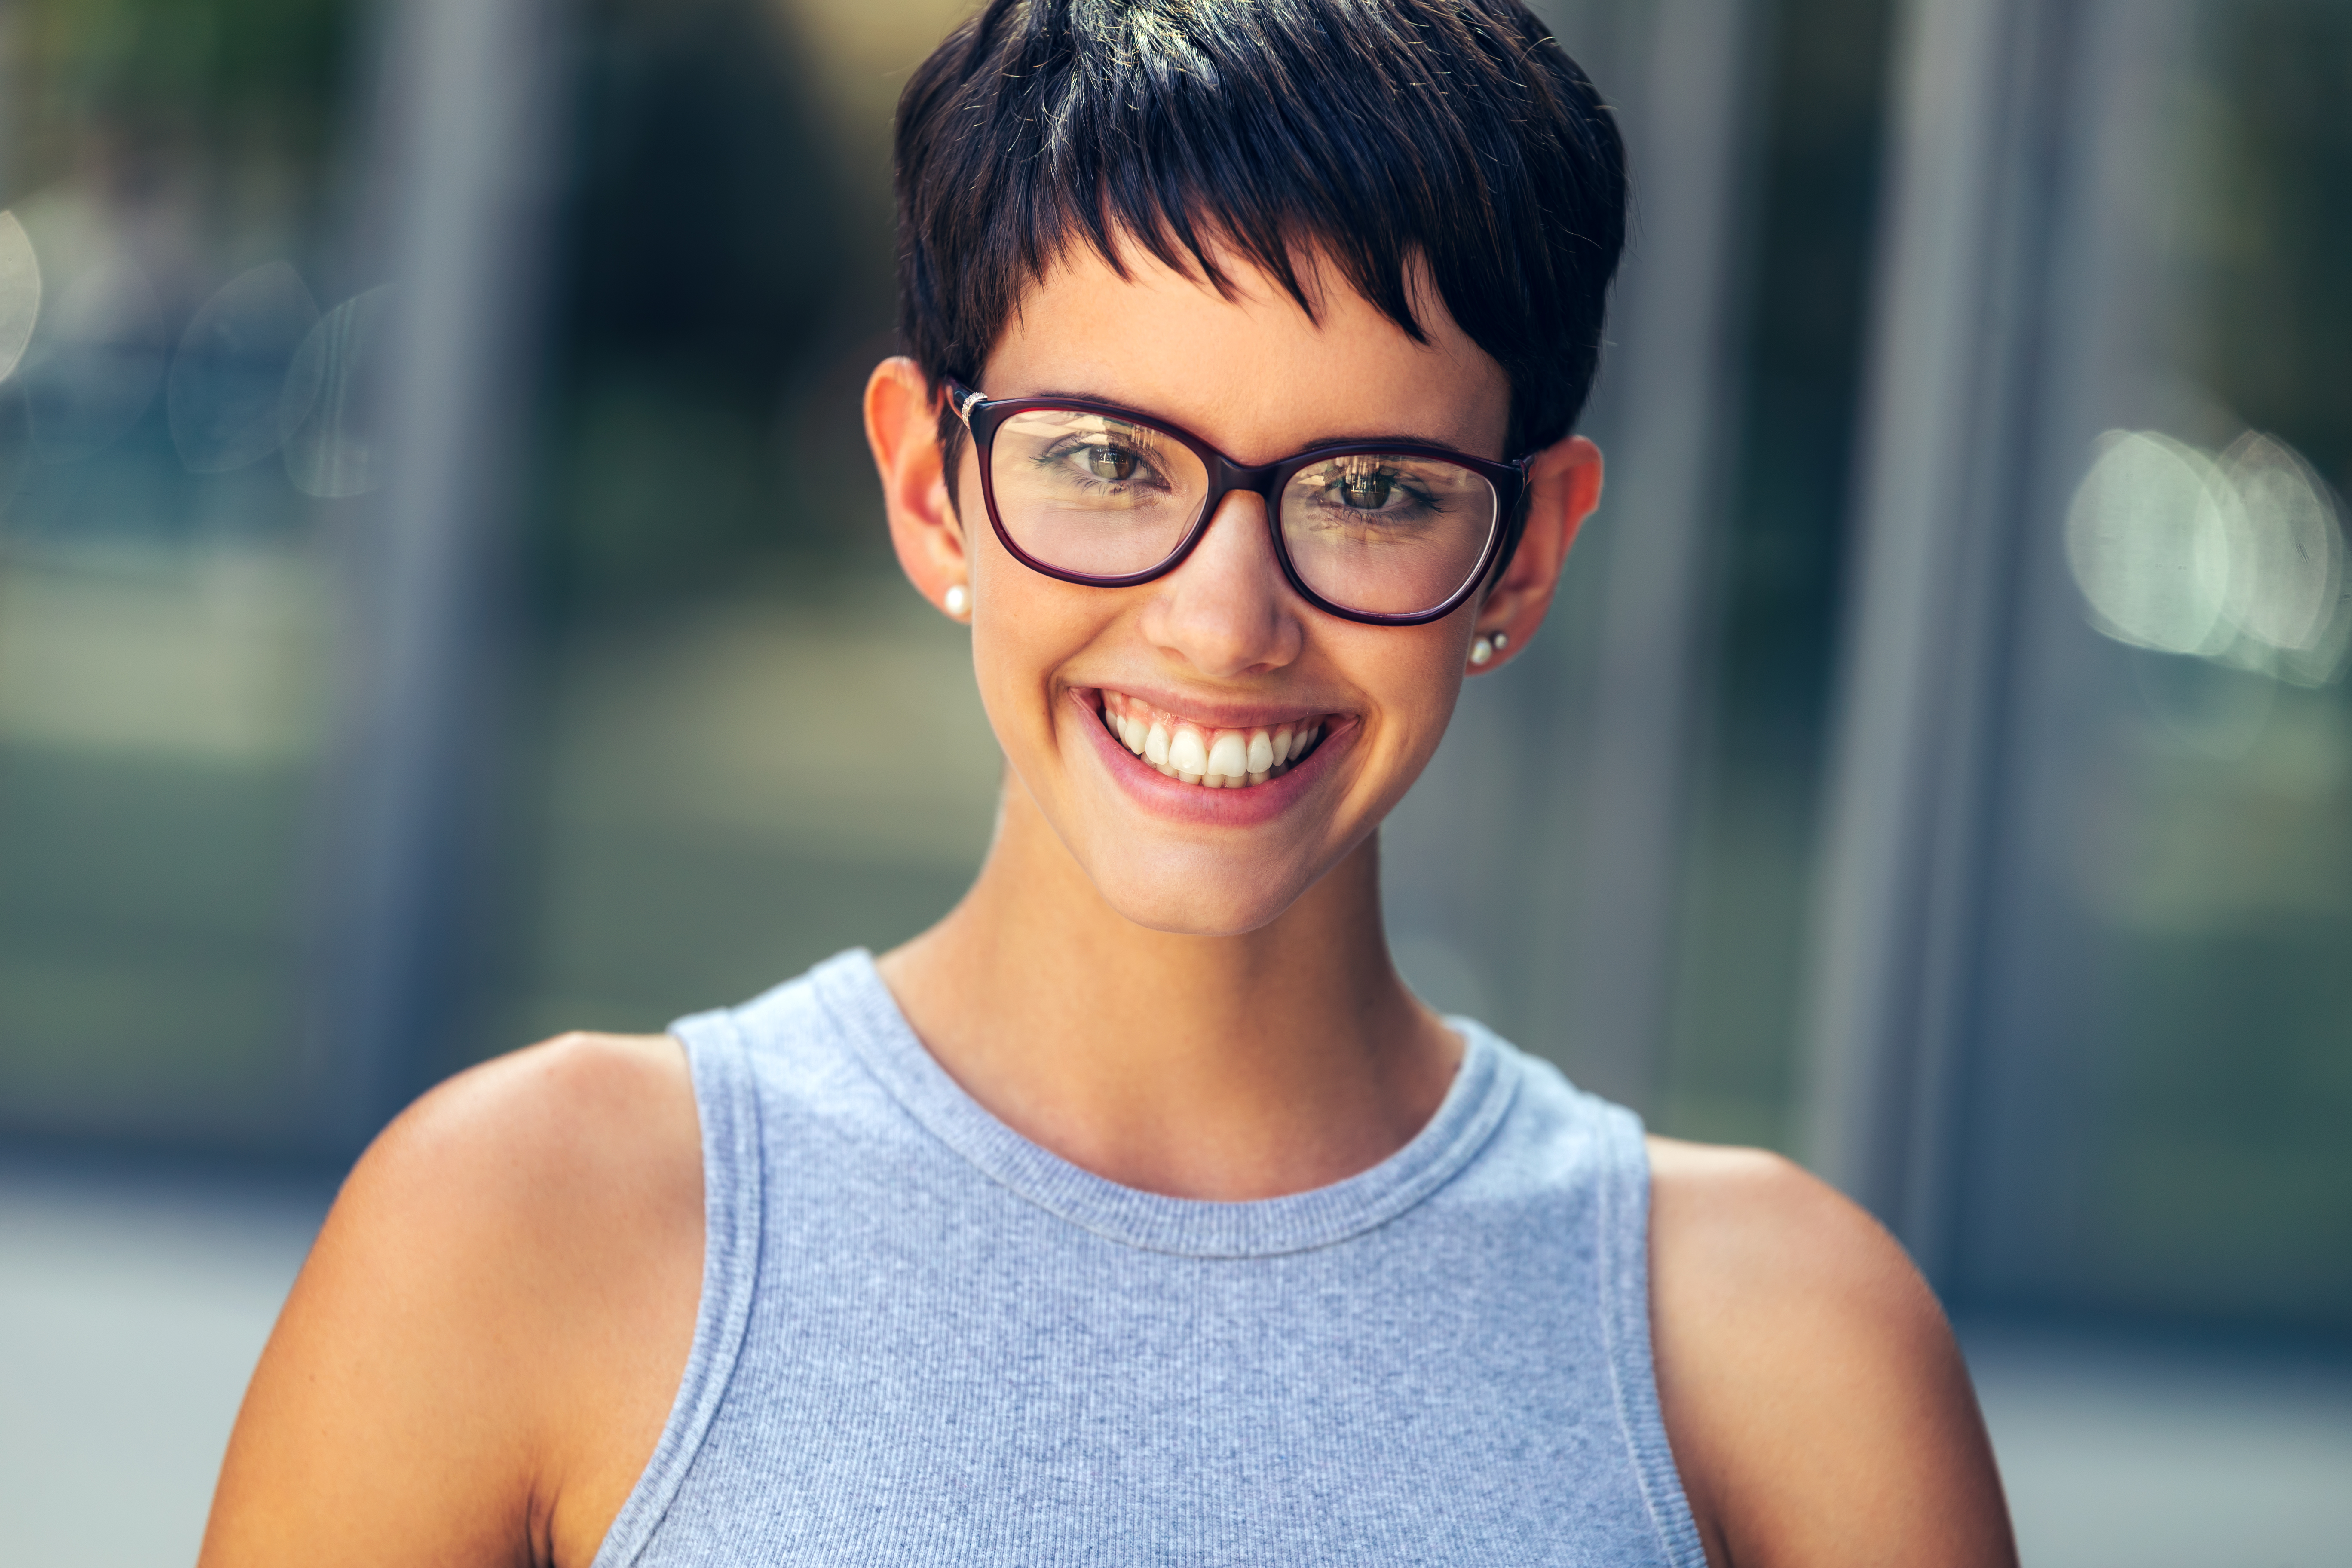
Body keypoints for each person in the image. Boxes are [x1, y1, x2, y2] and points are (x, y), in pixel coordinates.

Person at [201, 0, 2017, 1562]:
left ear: (1526, 554)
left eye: (1372, 490)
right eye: (1106, 463)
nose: (1226, 624)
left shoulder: (1781, 1354)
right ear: (933, 491)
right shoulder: (521, 1233)